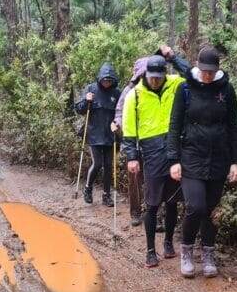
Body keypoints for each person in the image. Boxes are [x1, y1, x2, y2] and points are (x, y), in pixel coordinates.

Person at [168, 45, 237, 278]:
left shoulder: (226, 90)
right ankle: (187, 251)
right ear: (197, 66)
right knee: (195, 207)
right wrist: (174, 159)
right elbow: (174, 125)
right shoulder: (185, 88)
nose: (207, 76)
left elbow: (234, 127)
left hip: (219, 159)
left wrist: (235, 161)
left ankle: (208, 253)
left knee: (211, 210)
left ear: (217, 69)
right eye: (204, 71)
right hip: (191, 157)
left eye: (211, 71)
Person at [122, 47, 191, 267]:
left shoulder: (175, 84)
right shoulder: (135, 95)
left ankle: (169, 242)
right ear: (145, 75)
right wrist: (132, 156)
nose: (155, 81)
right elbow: (129, 128)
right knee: (152, 203)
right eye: (151, 77)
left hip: (174, 149)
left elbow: (193, 75)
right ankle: (150, 249)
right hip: (150, 151)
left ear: (164, 73)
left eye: (158, 77)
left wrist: (173, 58)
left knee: (172, 202)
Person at [75, 63, 120, 206]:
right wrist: (86, 100)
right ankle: (88, 189)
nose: (107, 83)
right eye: (104, 80)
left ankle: (106, 196)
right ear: (100, 78)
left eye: (109, 80)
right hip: (93, 135)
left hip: (110, 135)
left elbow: (120, 113)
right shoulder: (91, 89)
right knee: (98, 163)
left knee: (108, 165)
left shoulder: (116, 93)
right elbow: (79, 109)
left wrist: (118, 125)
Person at [113, 57, 149, 225]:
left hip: (153, 142)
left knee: (154, 180)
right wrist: (117, 124)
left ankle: (154, 214)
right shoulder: (129, 91)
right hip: (133, 142)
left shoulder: (160, 90)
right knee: (134, 179)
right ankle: (135, 211)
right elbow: (119, 112)